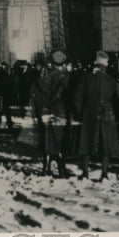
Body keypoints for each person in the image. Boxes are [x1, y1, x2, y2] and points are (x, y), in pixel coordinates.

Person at [73, 51, 119, 181]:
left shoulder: (86, 77)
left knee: (86, 142)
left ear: (95, 63)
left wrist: (79, 113)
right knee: (105, 143)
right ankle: (104, 174)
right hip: (106, 113)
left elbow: (77, 97)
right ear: (105, 64)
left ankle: (85, 173)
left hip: (89, 112)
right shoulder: (111, 79)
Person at [30, 49, 71, 178]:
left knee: (47, 141)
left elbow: (34, 95)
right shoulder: (66, 78)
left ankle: (46, 168)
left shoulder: (43, 78)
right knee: (60, 142)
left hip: (45, 113)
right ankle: (62, 170)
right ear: (63, 63)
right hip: (61, 113)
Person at [0, 61, 15, 131]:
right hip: (6, 96)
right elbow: (12, 87)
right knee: (7, 112)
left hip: (0, 97)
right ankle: (10, 126)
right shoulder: (8, 76)